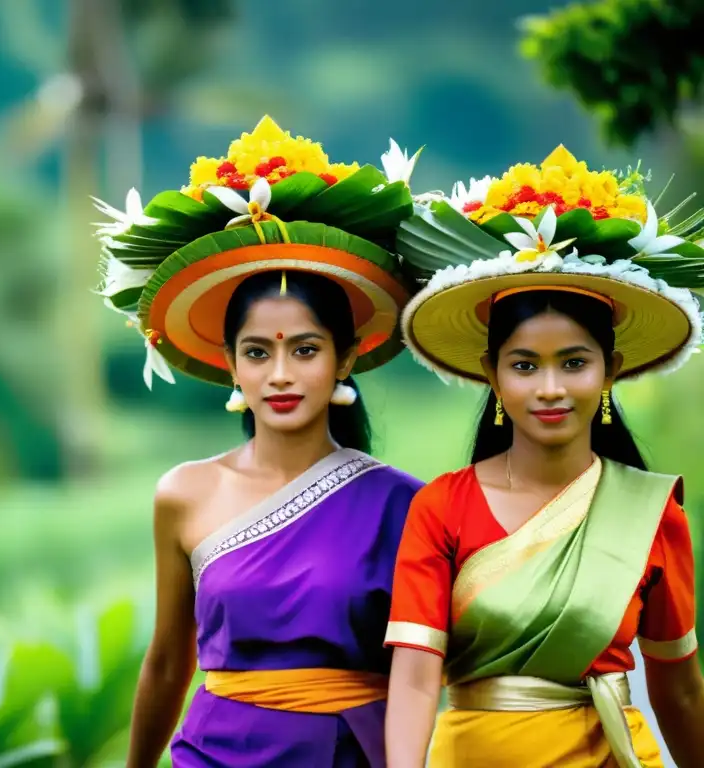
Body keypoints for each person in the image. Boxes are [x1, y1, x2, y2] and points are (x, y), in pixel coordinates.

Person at [92, 116, 425, 766]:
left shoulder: (403, 505)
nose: (280, 374)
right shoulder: (184, 494)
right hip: (212, 753)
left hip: (346, 753)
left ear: (346, 357)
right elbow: (166, 662)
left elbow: (422, 676)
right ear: (230, 361)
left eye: (304, 350)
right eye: (257, 352)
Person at [384, 145, 704, 767]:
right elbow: (417, 677)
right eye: (525, 365)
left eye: (574, 363)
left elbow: (679, 688)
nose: (551, 388)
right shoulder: (441, 507)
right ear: (493, 375)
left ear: (610, 371)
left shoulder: (652, 514)